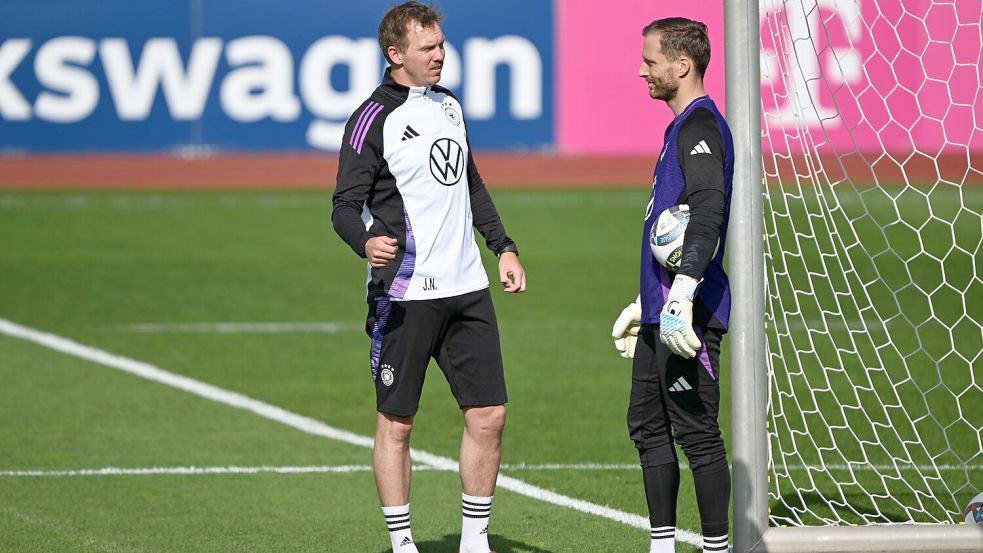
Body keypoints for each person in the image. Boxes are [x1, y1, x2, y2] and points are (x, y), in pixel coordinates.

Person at [331, 3, 525, 552]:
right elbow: (344, 205)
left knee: (489, 415)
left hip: (468, 289)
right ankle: (402, 544)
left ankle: (475, 542)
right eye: (428, 48)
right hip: (405, 294)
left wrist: (503, 247)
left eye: (441, 44)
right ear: (396, 55)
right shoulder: (372, 118)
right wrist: (363, 241)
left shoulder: (451, 105)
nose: (440, 55)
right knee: (397, 423)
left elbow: (471, 183)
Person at [611, 17, 734, 553]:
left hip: (691, 312)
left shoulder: (700, 128)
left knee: (697, 432)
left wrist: (681, 295)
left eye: (650, 60)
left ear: (681, 65)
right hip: (665, 309)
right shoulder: (679, 127)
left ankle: (716, 547)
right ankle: (661, 545)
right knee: (646, 423)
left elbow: (707, 214)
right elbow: (672, 228)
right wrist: (647, 300)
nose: (642, 71)